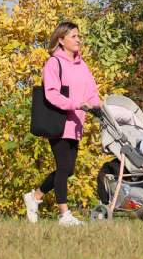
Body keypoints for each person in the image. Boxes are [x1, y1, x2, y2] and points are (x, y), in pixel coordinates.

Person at [23, 22, 100, 226]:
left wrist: (98, 107)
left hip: (76, 123)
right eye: (73, 36)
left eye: (78, 36)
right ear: (61, 40)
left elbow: (91, 91)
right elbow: (51, 94)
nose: (78, 40)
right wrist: (76, 104)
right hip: (58, 122)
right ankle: (64, 214)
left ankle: (35, 196)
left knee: (69, 170)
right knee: (64, 167)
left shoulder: (82, 65)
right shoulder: (53, 63)